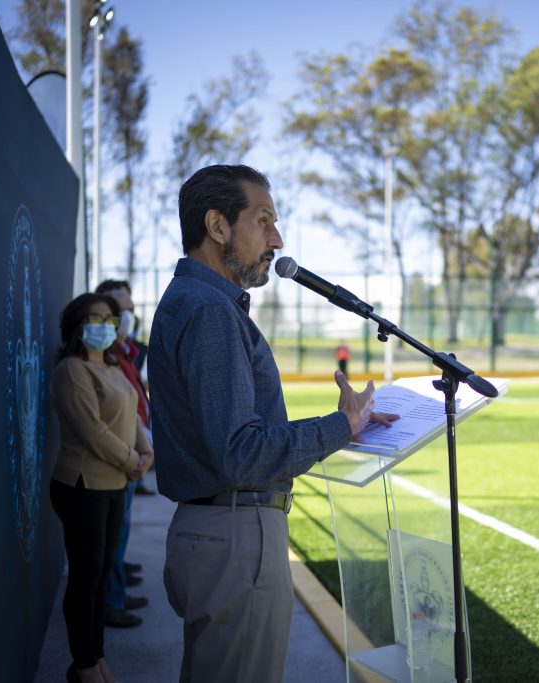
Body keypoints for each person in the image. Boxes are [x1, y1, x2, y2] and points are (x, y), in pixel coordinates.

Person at [149, 164, 397, 683]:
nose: (276, 239)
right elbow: (239, 453)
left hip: (218, 535)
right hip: (236, 541)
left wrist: (345, 424)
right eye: (263, 221)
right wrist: (340, 427)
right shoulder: (210, 311)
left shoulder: (198, 303)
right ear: (218, 227)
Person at [49, 293, 154, 683]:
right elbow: (93, 431)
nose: (104, 325)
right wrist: (134, 462)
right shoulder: (72, 371)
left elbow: (133, 413)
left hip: (112, 487)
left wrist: (147, 452)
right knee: (85, 577)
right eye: (94, 318)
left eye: (109, 319)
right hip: (82, 487)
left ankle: (96, 658)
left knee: (100, 574)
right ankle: (85, 664)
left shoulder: (112, 366)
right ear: (77, 326)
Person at [94, 281, 152, 629]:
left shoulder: (125, 351)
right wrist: (135, 457)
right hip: (120, 460)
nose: (125, 317)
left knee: (120, 532)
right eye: (118, 312)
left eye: (128, 310)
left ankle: (116, 589)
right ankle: (111, 601)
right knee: (110, 538)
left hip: (134, 454)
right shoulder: (100, 359)